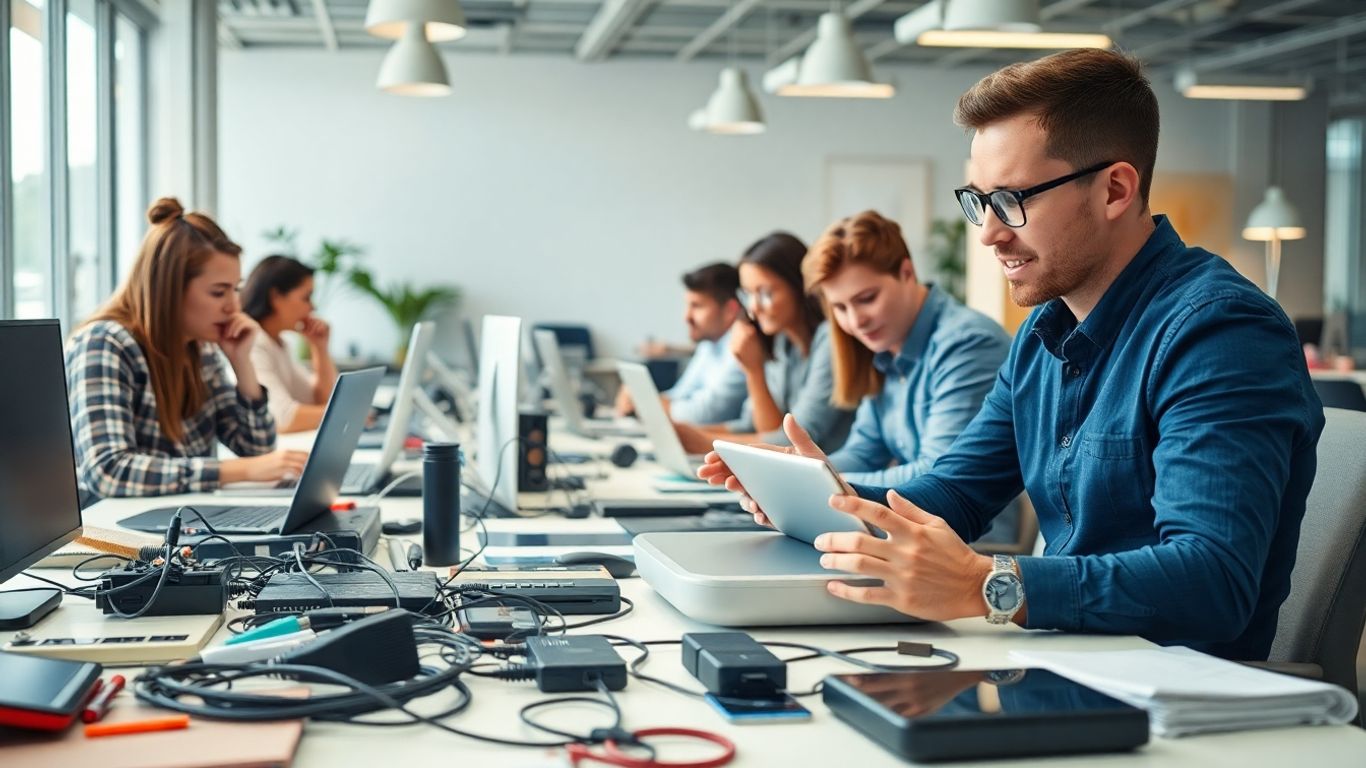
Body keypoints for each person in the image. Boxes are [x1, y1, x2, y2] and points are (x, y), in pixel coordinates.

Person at [699, 49, 1323, 661]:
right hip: (1071, 660)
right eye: (979, 202)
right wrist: (820, 497)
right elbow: (957, 493)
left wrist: (985, 585)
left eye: (1012, 200)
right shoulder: (1042, 335)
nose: (990, 233)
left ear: (1114, 190)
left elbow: (1211, 581)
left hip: (1182, 696)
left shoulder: (1220, 331)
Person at [66, 198, 308, 501]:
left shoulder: (200, 346)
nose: (234, 306)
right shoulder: (104, 344)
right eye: (219, 292)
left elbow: (256, 449)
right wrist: (232, 471)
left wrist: (242, 364)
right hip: (121, 532)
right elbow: (109, 470)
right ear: (169, 289)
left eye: (235, 289)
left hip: (185, 520)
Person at [808, 210, 1010, 486]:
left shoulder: (968, 343)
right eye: (840, 308)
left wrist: (827, 484)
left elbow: (937, 473)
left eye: (867, 298)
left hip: (966, 529)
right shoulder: (886, 349)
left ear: (907, 273)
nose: (856, 321)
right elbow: (863, 453)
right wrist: (801, 472)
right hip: (903, 522)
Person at [673, 232, 854, 454]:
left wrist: (706, 441)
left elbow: (794, 440)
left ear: (800, 286)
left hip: (833, 475)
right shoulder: (782, 342)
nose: (753, 308)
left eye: (765, 293)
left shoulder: (830, 341)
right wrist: (684, 433)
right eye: (748, 294)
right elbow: (756, 426)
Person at [614, 263, 748, 424]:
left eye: (697, 306)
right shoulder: (709, 344)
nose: (686, 317)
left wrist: (645, 403)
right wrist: (639, 399)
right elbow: (680, 394)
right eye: (688, 305)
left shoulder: (744, 347)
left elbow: (704, 414)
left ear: (730, 310)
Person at [242, 255, 339, 432]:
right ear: (276, 297)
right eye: (306, 297)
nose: (312, 308)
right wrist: (343, 414)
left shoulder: (279, 343)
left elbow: (320, 400)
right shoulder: (251, 343)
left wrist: (320, 348)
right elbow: (283, 418)